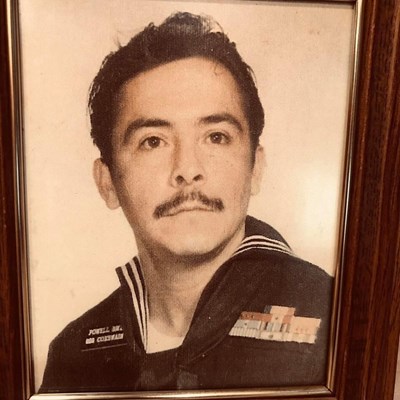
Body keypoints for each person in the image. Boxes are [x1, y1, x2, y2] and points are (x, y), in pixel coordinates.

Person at [40, 12, 333, 393]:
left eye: (216, 137)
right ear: (107, 182)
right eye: (153, 141)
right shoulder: (74, 354)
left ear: (256, 168)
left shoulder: (333, 318)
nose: (188, 170)